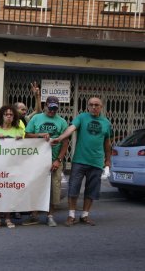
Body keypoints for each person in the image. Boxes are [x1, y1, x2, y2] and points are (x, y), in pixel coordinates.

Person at [51, 97, 112, 226]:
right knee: (73, 188)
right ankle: (71, 216)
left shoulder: (106, 123)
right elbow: (71, 128)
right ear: (87, 106)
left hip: (96, 162)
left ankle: (85, 215)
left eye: (96, 105)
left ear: (101, 107)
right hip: (79, 160)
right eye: (91, 105)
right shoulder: (82, 117)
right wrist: (60, 138)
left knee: (91, 191)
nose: (94, 107)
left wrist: (107, 161)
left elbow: (107, 143)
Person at [23, 96, 69, 227]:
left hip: (54, 159)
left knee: (54, 188)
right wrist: (40, 135)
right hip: (37, 159)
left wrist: (59, 160)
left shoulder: (61, 122)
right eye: (50, 108)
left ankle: (50, 215)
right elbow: (27, 135)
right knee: (36, 186)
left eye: (55, 109)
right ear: (46, 105)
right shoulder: (36, 118)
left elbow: (65, 142)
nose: (52, 111)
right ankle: (34, 215)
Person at [0, 105, 24, 229]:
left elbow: (24, 147)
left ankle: (8, 218)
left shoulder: (18, 131)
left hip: (12, 166)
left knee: (9, 192)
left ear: (14, 117)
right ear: (1, 116)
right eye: (6, 114)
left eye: (11, 114)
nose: (8, 116)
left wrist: (21, 140)